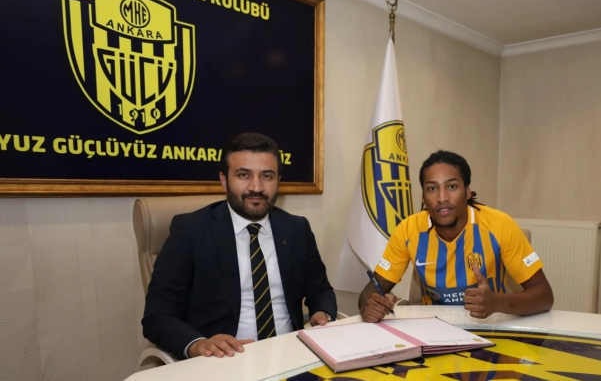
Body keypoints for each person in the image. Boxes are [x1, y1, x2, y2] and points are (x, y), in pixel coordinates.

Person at [142, 132, 336, 359]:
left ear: (278, 180)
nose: (256, 187)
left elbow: (320, 290)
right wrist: (197, 344)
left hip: (290, 355)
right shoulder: (190, 231)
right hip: (224, 360)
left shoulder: (297, 229)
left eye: (267, 176)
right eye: (244, 175)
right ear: (224, 180)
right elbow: (157, 316)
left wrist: (322, 313)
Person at [359, 150, 553, 322]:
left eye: (451, 187)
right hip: (433, 330)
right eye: (432, 188)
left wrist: (496, 302)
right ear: (423, 198)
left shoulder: (500, 225)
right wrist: (369, 305)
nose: (442, 198)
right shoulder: (407, 230)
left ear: (467, 192)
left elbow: (544, 296)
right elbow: (372, 290)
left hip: (489, 326)